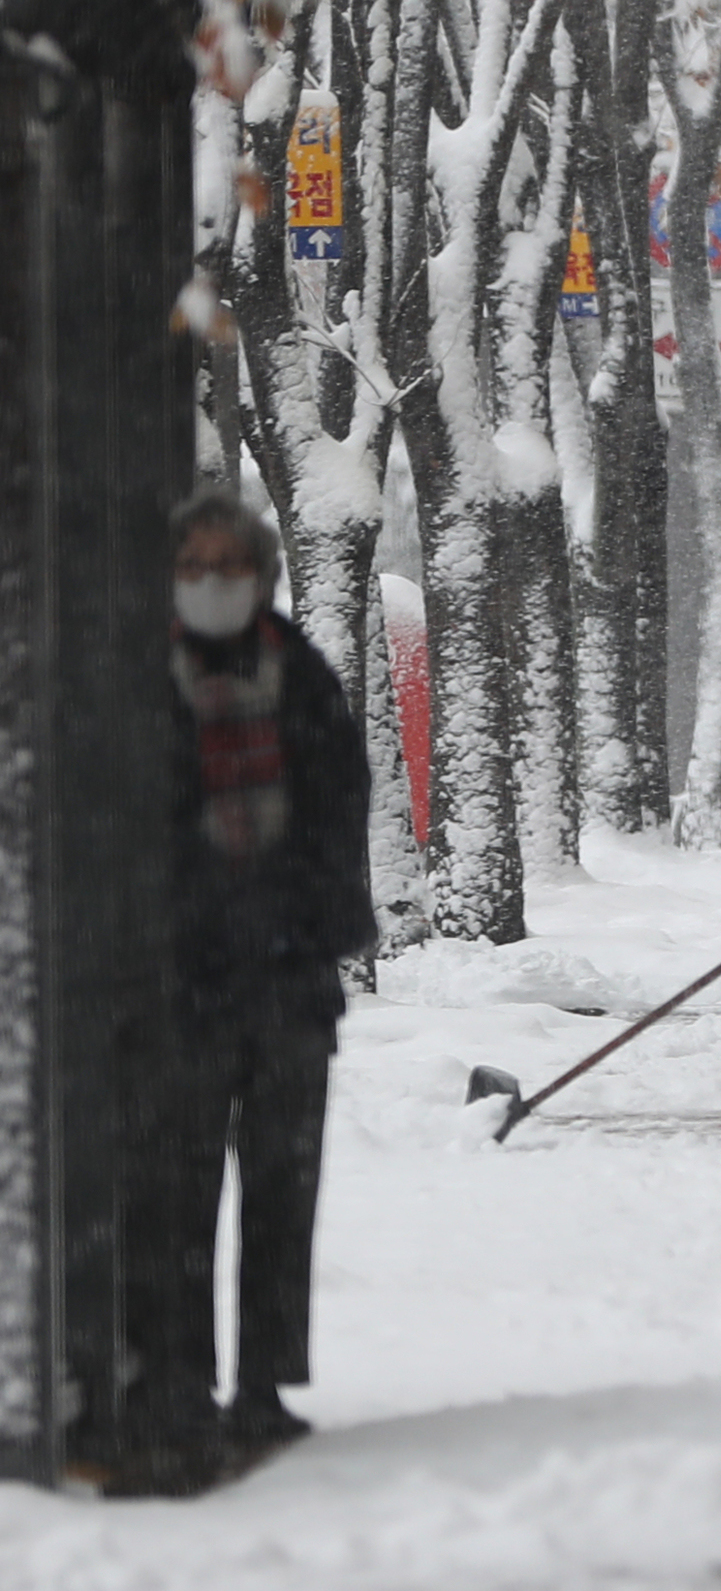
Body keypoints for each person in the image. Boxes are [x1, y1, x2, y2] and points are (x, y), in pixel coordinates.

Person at [149, 488, 375, 1477]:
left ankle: (263, 1384)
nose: (209, 584)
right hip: (182, 982)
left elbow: (336, 819)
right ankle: (183, 1382)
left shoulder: (306, 680)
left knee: (283, 1190)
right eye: (192, 566)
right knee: (181, 1193)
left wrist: (309, 928)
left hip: (286, 977)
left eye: (226, 567)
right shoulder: (142, 682)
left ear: (261, 578)